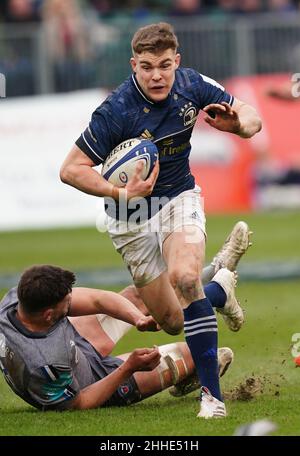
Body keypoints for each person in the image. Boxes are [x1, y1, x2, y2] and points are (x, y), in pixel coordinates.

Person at [60, 22, 261, 418]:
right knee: (169, 321)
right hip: (129, 216)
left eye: (165, 65)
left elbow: (252, 117)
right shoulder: (115, 110)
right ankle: (219, 286)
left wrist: (237, 125)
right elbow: (71, 169)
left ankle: (212, 399)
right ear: (134, 65)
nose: (157, 75)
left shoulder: (192, 84)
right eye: (147, 66)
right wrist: (119, 192)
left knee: (186, 278)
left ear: (177, 62)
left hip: (178, 198)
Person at [0, 264, 234, 412]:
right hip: (93, 381)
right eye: (66, 304)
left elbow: (97, 300)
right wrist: (129, 368)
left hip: (76, 343)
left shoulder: (16, 301)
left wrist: (137, 319)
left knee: (137, 299)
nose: (71, 303)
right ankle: (212, 292)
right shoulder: (46, 364)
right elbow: (79, 403)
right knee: (195, 355)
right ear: (48, 314)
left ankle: (206, 276)